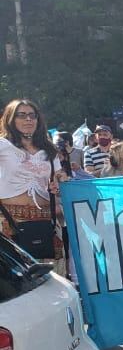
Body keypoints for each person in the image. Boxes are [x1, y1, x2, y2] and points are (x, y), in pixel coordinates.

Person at [0, 99, 64, 262]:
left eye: (32, 115)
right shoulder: (3, 145)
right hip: (9, 221)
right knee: (14, 282)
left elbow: (60, 176)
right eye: (21, 115)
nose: (28, 119)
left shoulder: (49, 150)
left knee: (52, 279)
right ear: (11, 119)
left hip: (45, 221)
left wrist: (60, 184)